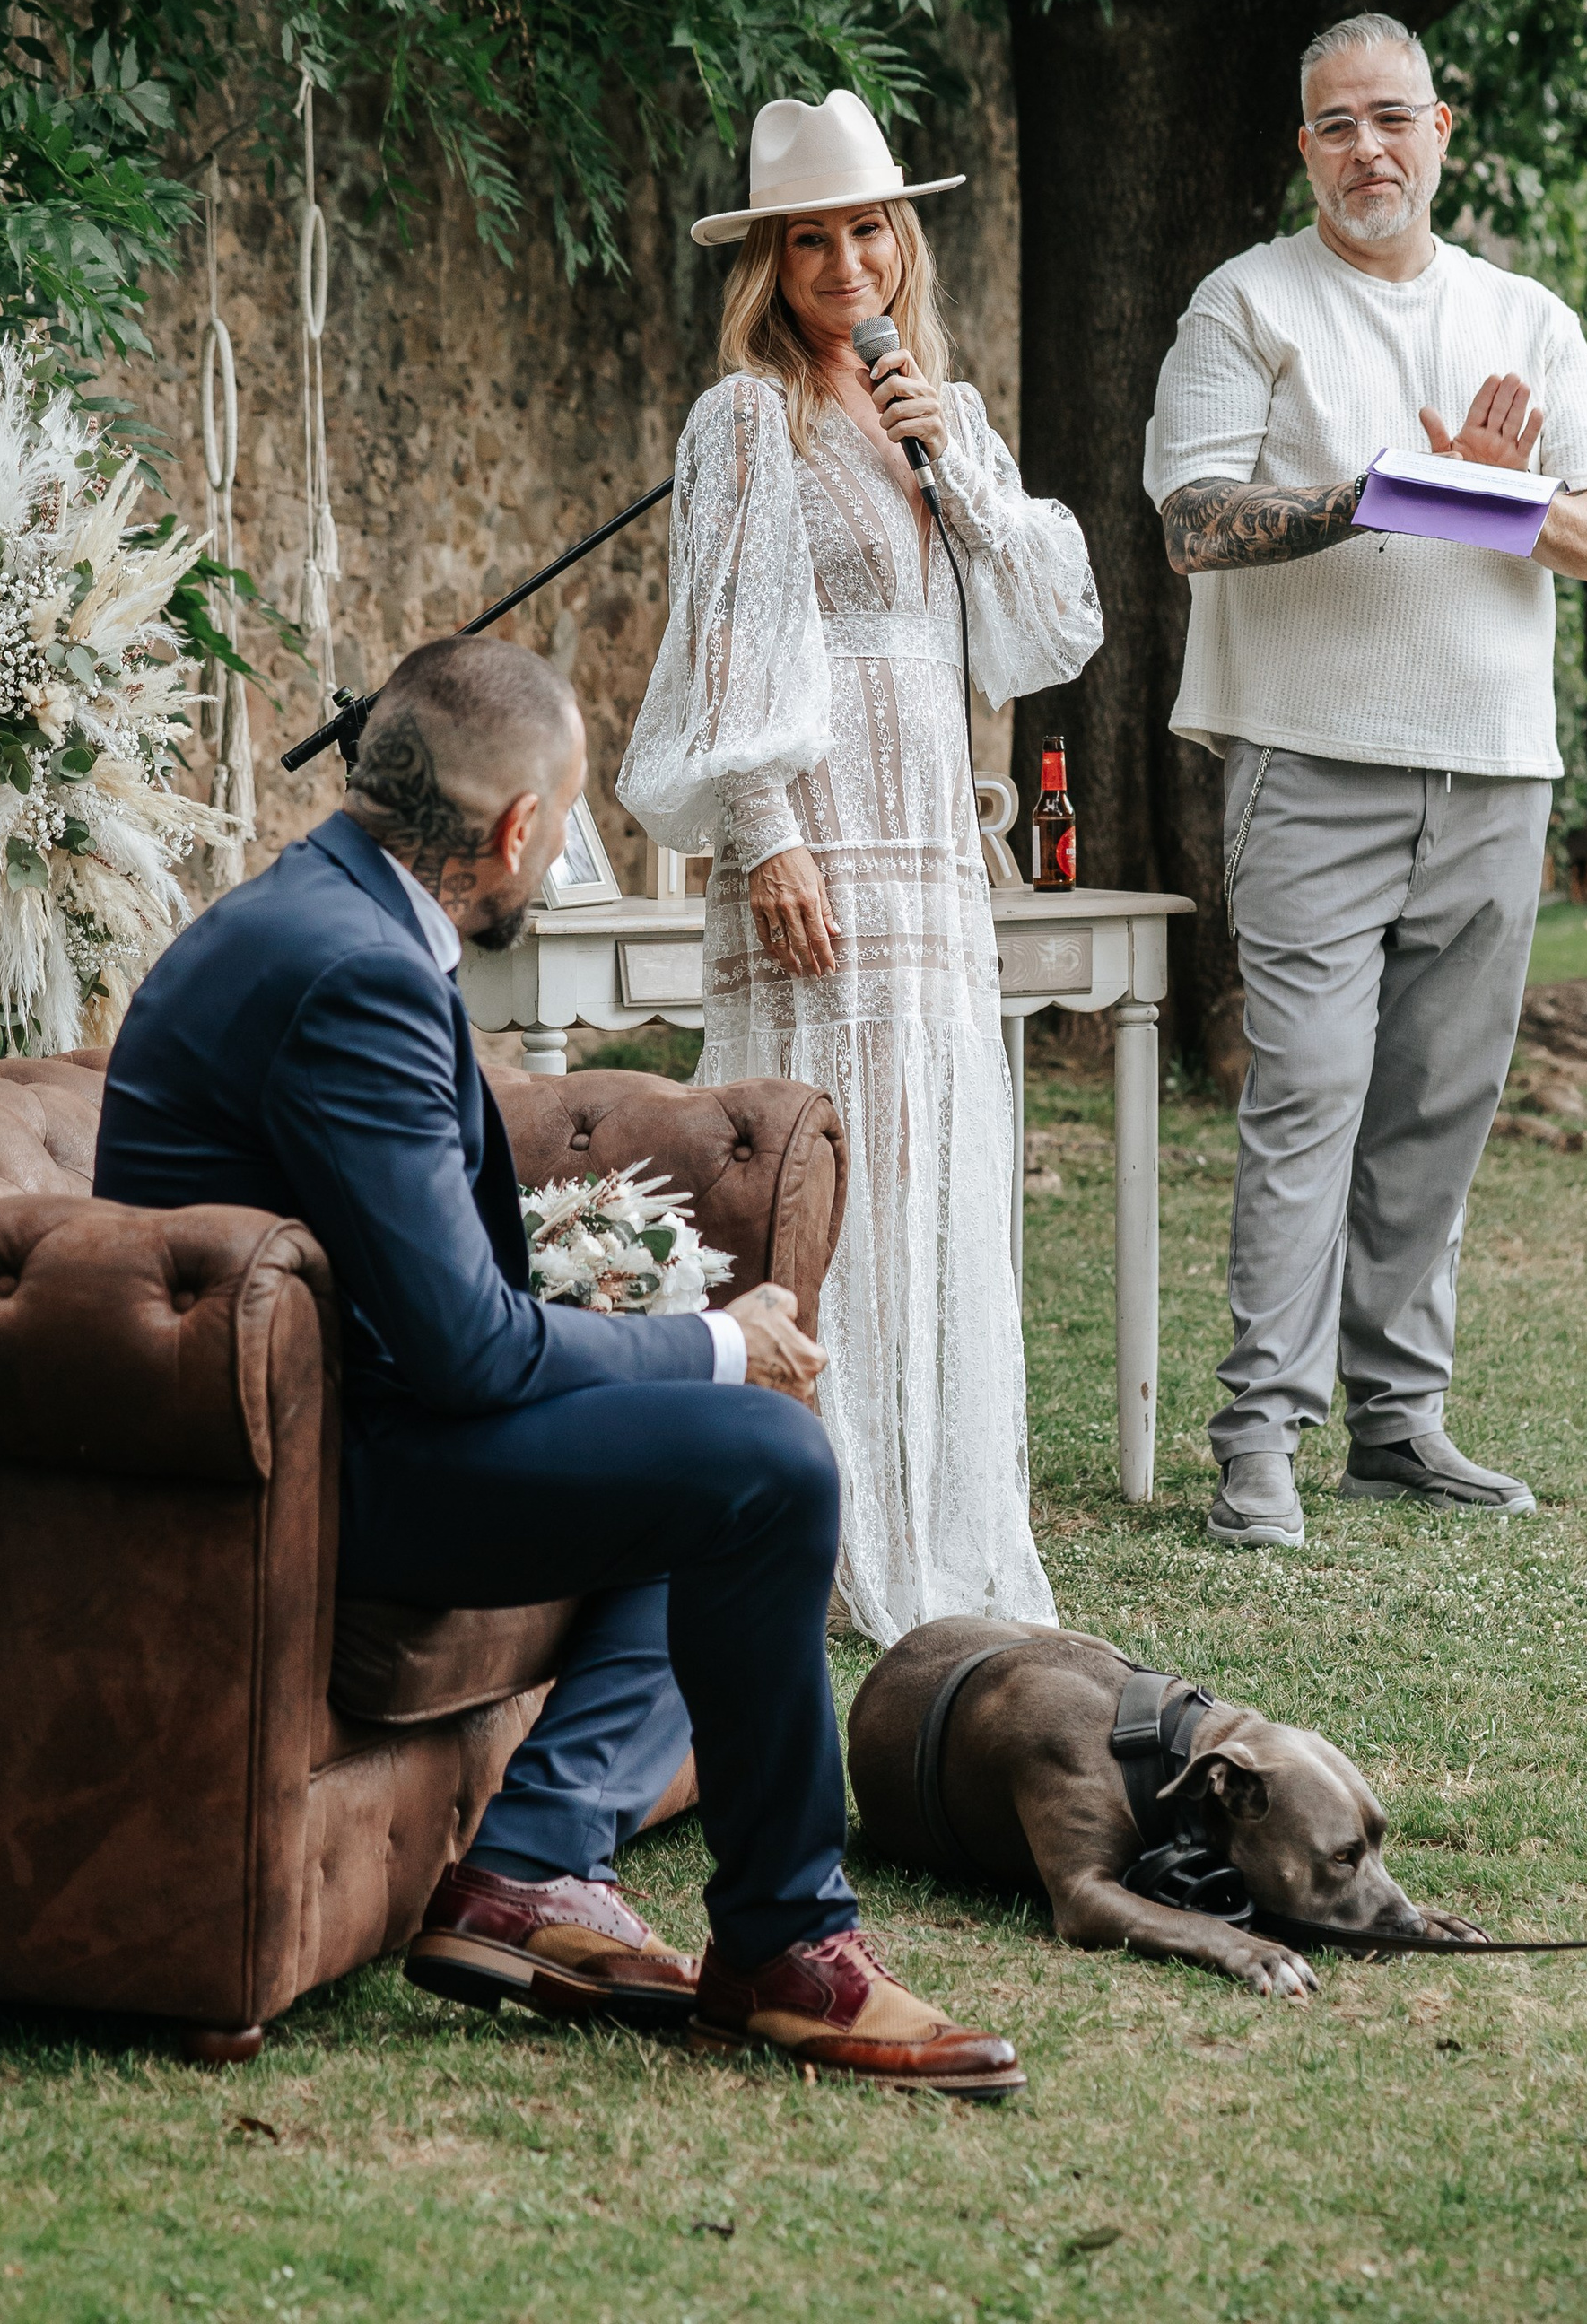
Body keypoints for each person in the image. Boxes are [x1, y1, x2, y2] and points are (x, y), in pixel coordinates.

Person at [93, 632, 1022, 2095]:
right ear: (518, 830)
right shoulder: (353, 974)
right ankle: (788, 1949)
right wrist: (713, 1341)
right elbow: (464, 1350)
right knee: (767, 1460)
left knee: (704, 1444)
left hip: (316, 1413)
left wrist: (652, 1351)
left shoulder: (325, 913)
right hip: (298, 1471)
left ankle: (529, 1868)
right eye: (568, 821)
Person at [1144, 14, 1587, 1551]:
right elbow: (1193, 521)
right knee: (1307, 1091)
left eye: (1393, 119)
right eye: (1335, 124)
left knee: (1439, 1102)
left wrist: (1497, 499)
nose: (1368, 147)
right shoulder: (1248, 303)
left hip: (1493, 763)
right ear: (1305, 150)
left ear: (1443, 132)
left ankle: (1398, 1422)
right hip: (1313, 757)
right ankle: (1259, 1436)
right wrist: (1383, 493)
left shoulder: (1528, 317)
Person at [617, 89, 1103, 1643]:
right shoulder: (744, 420)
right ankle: (814, 1518)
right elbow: (730, 646)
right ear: (770, 260)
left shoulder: (936, 411)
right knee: (824, 1169)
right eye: (810, 237)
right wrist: (767, 838)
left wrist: (952, 462)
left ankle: (939, 1517)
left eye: (868, 227)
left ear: (905, 240)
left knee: (933, 1160)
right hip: (820, 841)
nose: (845, 260)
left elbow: (1047, 626)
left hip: (930, 856)